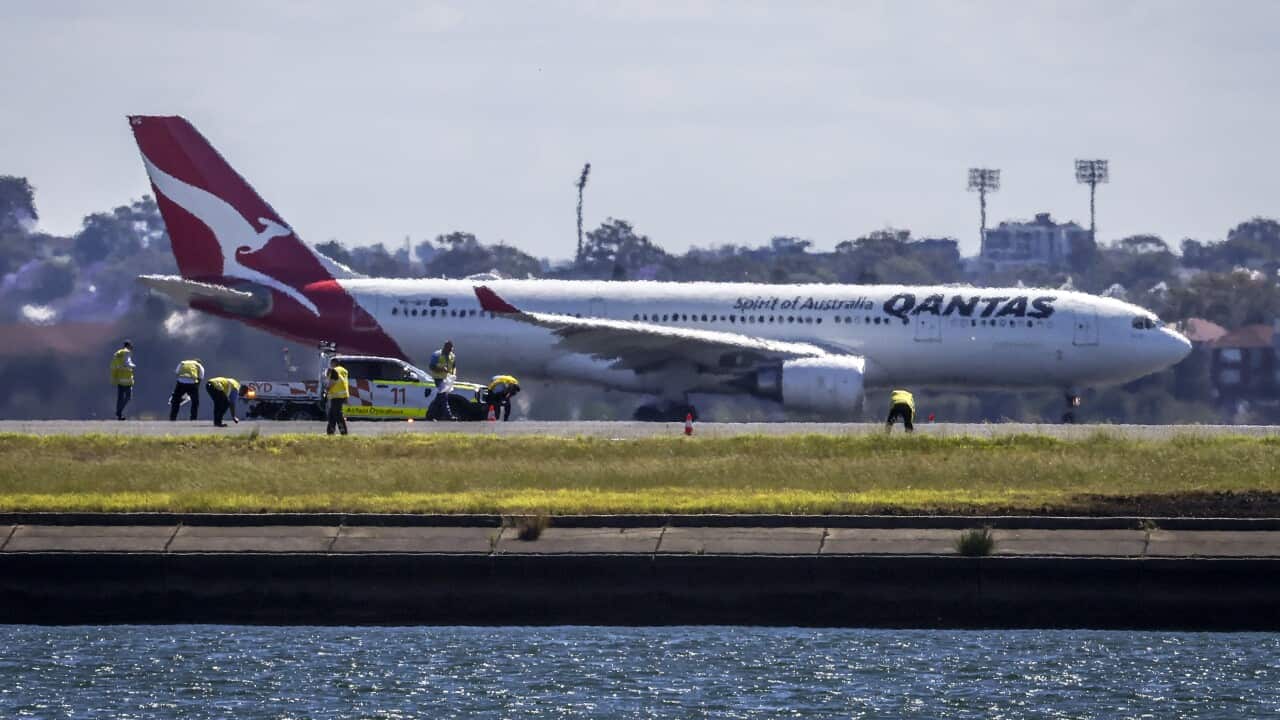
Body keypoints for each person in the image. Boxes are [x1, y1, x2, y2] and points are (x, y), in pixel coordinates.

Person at [426, 340, 457, 421]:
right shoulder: (437, 355)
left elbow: (453, 366)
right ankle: (449, 416)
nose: (449, 350)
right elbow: (431, 366)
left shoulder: (452, 356)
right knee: (443, 397)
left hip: (447, 379)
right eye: (448, 348)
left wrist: (453, 375)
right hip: (438, 378)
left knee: (439, 398)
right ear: (444, 347)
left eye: (451, 349)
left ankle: (430, 415)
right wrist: (441, 369)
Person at [109, 340, 135, 420]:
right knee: (128, 397)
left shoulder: (118, 354)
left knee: (120, 398)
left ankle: (119, 414)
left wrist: (114, 378)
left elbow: (113, 366)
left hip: (120, 380)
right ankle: (119, 411)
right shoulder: (126, 353)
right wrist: (133, 366)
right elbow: (127, 363)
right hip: (127, 380)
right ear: (129, 346)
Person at [325, 357, 349, 436]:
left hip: (336, 395)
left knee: (337, 415)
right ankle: (330, 432)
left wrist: (327, 390)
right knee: (332, 414)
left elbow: (333, 381)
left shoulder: (334, 370)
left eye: (331, 363)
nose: (330, 365)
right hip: (343, 394)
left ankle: (344, 433)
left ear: (333, 363)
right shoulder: (344, 370)